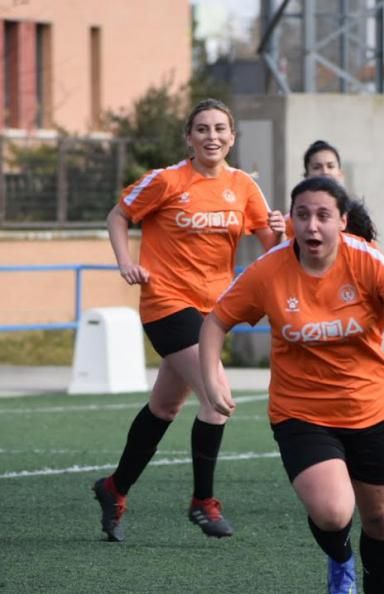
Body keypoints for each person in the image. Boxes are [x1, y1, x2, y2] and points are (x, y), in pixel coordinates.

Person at [199, 176, 384, 594]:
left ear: (342, 221)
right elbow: (215, 322)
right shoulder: (269, 270)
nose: (312, 225)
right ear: (291, 219)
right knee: (335, 512)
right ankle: (339, 556)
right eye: (302, 215)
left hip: (369, 409)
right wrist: (211, 379)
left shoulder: (365, 259)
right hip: (301, 412)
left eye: (323, 215)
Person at [92, 98, 285, 542]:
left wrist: (281, 228)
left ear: (232, 137)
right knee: (218, 398)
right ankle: (203, 501)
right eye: (202, 129)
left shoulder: (245, 188)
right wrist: (126, 262)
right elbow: (119, 216)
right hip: (166, 303)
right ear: (189, 137)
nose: (211, 136)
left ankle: (114, 488)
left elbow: (272, 247)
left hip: (213, 312)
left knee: (165, 406)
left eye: (220, 129)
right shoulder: (167, 180)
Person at [275, 139, 378, 244]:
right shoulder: (292, 219)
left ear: (340, 173)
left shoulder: (355, 214)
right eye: (317, 167)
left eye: (330, 166)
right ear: (306, 176)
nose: (325, 172)